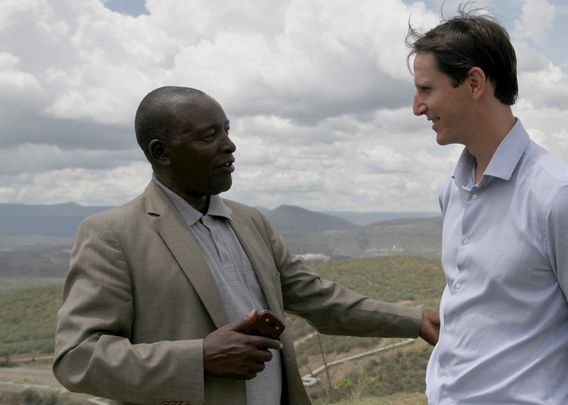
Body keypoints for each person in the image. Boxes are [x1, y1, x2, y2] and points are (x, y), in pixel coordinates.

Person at [53, 86, 440, 405]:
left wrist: (415, 320)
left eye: (226, 130)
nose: (230, 145)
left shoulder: (250, 221)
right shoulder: (113, 234)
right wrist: (199, 357)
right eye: (209, 136)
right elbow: (77, 359)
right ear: (161, 152)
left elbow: (318, 298)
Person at [408, 8, 568, 405]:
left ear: (474, 82)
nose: (417, 107)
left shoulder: (560, 197)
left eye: (426, 90)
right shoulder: (452, 190)